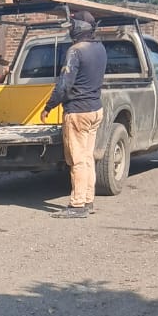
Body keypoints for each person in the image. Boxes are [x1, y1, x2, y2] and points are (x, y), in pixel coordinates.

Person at [40, 12, 107, 218]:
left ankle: (77, 205)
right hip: (95, 109)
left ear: (78, 28)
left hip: (78, 112)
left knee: (77, 159)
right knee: (87, 157)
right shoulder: (100, 48)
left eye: (71, 26)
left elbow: (64, 85)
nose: (70, 30)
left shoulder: (75, 51)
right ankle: (87, 200)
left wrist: (49, 106)